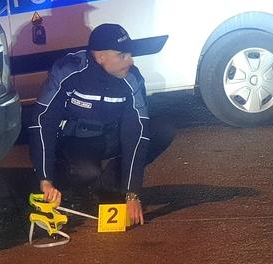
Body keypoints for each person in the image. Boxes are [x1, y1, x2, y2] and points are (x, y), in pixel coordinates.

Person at [29, 23, 172, 227]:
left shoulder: (133, 78)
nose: (130, 61)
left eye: (130, 54)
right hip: (77, 141)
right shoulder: (68, 70)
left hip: (112, 136)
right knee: (87, 172)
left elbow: (135, 133)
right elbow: (42, 123)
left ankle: (110, 185)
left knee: (162, 130)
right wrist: (45, 179)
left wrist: (132, 193)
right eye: (122, 55)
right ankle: (65, 188)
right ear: (100, 56)